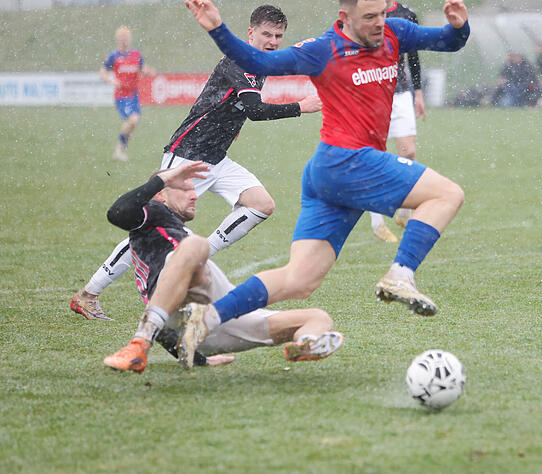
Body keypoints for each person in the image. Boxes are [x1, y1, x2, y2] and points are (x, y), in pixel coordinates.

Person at [175, 0, 470, 369]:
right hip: (346, 161)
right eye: (370, 18)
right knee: (448, 194)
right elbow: (260, 63)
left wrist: (459, 27)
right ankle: (400, 275)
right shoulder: (323, 49)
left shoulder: (395, 31)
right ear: (345, 17)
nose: (380, 24)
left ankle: (206, 318)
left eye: (382, 14)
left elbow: (448, 41)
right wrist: (216, 27)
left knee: (299, 280)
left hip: (328, 175)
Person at [71, 5, 322, 321]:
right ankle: (88, 294)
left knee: (261, 204)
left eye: (278, 37)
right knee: (148, 227)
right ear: (250, 33)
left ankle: (199, 254)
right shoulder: (238, 61)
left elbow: (232, 105)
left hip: (216, 158)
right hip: (188, 156)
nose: (272, 41)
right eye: (266, 35)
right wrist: (302, 106)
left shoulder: (259, 64)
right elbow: (255, 110)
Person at [102, 161, 344, 373]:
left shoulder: (172, 231)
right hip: (197, 300)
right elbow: (117, 213)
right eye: (185, 189)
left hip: (213, 320)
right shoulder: (152, 213)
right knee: (196, 244)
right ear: (161, 195)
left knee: (318, 317)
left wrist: (197, 359)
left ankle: (307, 343)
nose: (195, 195)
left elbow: (164, 317)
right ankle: (139, 343)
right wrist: (161, 179)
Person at [368, 0, 426, 243]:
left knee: (408, 152)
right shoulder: (362, 12)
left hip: (400, 91)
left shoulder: (406, 14)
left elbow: (412, 55)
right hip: (370, 92)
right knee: (373, 156)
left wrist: (419, 92)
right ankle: (377, 222)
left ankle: (404, 210)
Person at [100, 26, 154, 161]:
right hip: (121, 95)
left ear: (130, 39)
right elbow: (102, 72)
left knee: (133, 123)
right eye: (122, 38)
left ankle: (120, 150)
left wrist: (148, 71)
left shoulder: (136, 54)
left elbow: (142, 68)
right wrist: (112, 81)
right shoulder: (114, 56)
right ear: (117, 40)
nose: (124, 41)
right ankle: (119, 149)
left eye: (127, 38)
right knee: (133, 120)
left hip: (133, 94)